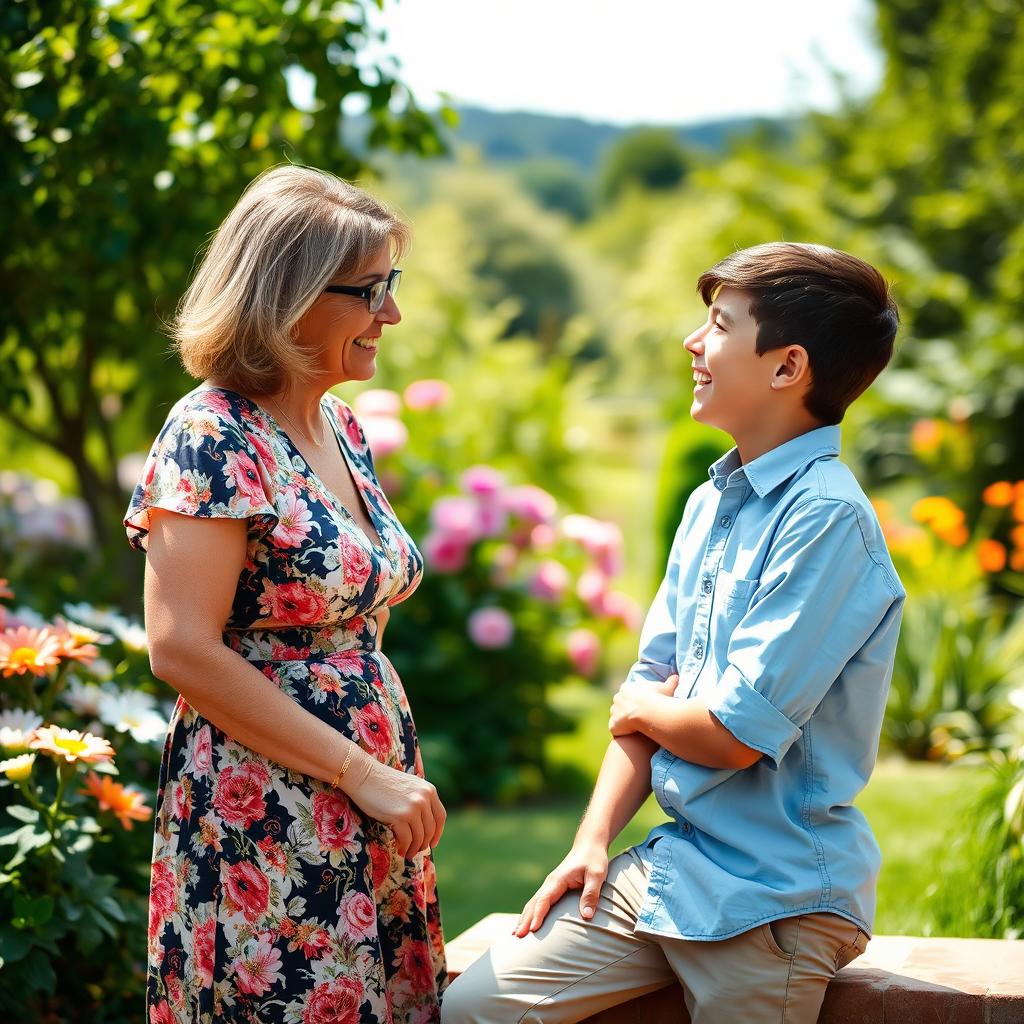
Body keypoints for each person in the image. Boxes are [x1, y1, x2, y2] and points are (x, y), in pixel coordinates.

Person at [442, 242, 906, 1024]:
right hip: (672, 868)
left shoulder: (826, 520)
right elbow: (654, 684)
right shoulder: (710, 504)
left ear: (787, 367)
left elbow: (729, 736)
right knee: (475, 1009)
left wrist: (640, 707)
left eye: (720, 325)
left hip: (775, 898)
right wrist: (591, 842)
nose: (694, 343)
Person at [125, 165, 447, 1024]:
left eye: (393, 285)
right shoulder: (210, 432)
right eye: (371, 290)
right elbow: (182, 647)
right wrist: (360, 771)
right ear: (287, 295)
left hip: (366, 795)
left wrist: (376, 775)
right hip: (267, 810)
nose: (393, 315)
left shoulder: (339, 425)